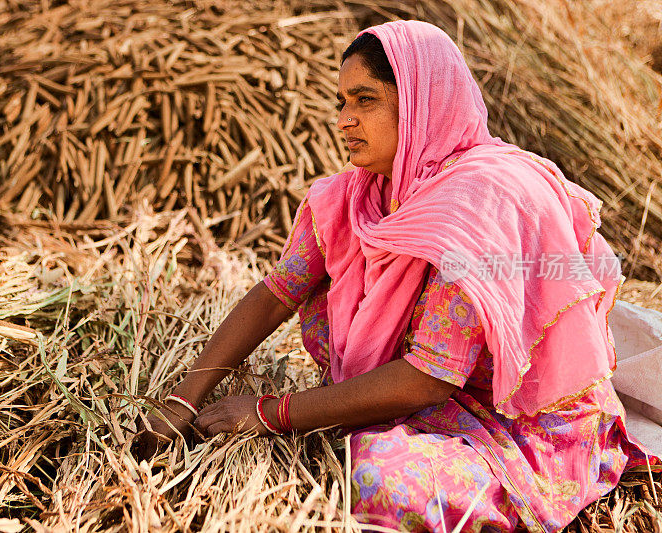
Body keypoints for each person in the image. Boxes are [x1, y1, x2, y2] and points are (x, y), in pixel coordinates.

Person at [136, 20, 658, 532]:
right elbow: (277, 293)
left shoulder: (480, 208)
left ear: (420, 105)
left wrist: (273, 412)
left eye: (365, 100)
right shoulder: (354, 199)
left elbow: (426, 380)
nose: (344, 119)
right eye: (341, 101)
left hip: (510, 415)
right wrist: (185, 398)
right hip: (422, 397)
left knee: (378, 480)